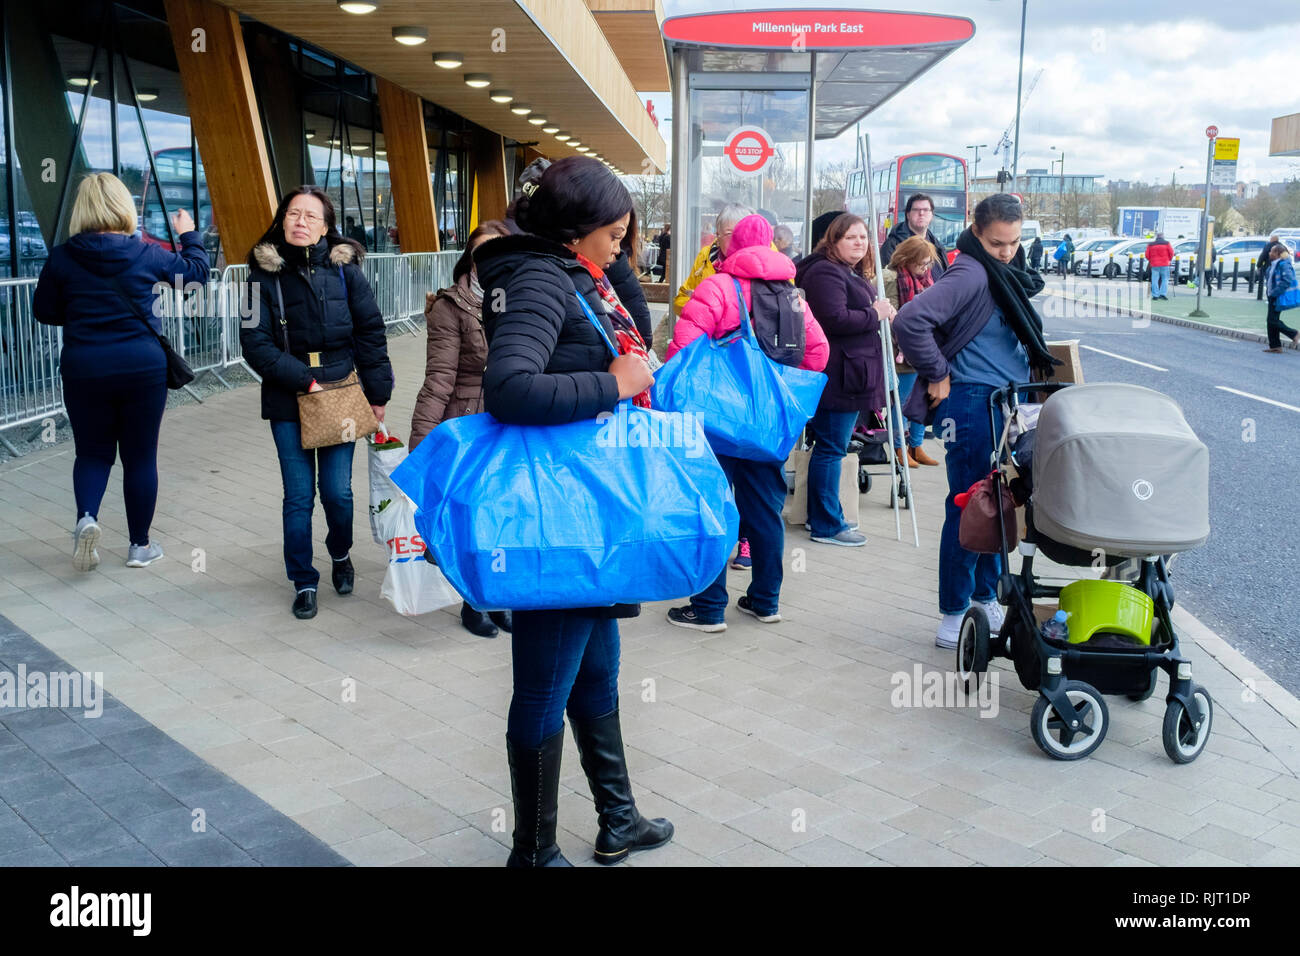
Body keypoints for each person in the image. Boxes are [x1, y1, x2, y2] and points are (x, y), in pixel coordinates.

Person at [475, 156, 670, 868]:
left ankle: (620, 820)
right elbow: (511, 389)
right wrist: (614, 383)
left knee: (596, 672)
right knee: (543, 686)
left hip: (591, 508)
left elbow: (621, 319)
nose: (622, 239)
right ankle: (532, 853)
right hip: (559, 520)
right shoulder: (536, 279)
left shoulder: (573, 274)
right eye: (612, 229)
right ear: (572, 228)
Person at [893, 193, 1058, 650]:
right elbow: (910, 319)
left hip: (1005, 404)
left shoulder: (1003, 271)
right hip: (972, 402)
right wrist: (939, 373)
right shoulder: (969, 271)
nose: (1007, 251)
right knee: (969, 504)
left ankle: (984, 597)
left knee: (997, 505)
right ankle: (952, 611)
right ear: (976, 232)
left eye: (1015, 241)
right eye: (997, 243)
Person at [33, 172, 209, 572]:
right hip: (141, 367)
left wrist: (82, 313)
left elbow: (43, 310)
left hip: (85, 367)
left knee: (92, 453)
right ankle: (139, 547)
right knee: (140, 457)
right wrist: (189, 234)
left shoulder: (62, 257)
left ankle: (87, 519)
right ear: (124, 207)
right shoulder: (146, 254)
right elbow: (196, 276)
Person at [665, 214, 829, 631]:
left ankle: (707, 608)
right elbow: (819, 353)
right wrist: (780, 392)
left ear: (732, 245)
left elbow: (684, 350)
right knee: (765, 510)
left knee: (714, 506)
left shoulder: (719, 285)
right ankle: (765, 600)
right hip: (767, 426)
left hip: (717, 423)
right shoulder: (793, 296)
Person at [241, 186, 394, 621]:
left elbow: (371, 332)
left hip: (341, 393)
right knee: (297, 495)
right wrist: (303, 381)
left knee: (338, 492)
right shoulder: (259, 275)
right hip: (289, 395)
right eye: (293, 213)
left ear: (327, 226)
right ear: (282, 219)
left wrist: (378, 395)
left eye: (310, 216)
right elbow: (254, 343)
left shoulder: (347, 272)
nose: (300, 221)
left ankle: (341, 554)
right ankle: (304, 580)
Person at [410, 219, 513, 637]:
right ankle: (474, 602)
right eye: (481, 250)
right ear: (469, 256)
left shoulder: (524, 297)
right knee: (475, 517)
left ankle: (500, 597)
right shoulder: (450, 306)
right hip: (470, 420)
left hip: (514, 420)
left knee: (507, 513)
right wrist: (420, 445)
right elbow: (439, 377)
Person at [795, 213, 897, 546]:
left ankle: (821, 518)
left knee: (829, 447)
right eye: (851, 237)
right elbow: (834, 318)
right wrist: (875, 313)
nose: (859, 242)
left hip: (849, 372)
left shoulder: (842, 270)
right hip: (840, 375)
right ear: (834, 240)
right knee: (831, 449)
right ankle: (827, 525)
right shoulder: (826, 271)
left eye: (864, 237)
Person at [881, 235, 940, 467]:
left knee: (921, 400)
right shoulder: (890, 277)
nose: (924, 268)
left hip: (924, 348)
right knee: (902, 401)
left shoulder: (926, 279)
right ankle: (899, 447)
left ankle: (916, 445)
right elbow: (886, 310)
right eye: (920, 263)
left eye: (927, 263)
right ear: (906, 258)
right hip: (900, 351)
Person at [880, 193, 949, 278]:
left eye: (926, 210)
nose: (921, 213)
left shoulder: (937, 246)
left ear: (932, 215)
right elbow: (887, 282)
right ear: (908, 215)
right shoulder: (892, 245)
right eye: (916, 210)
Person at [1263, 243, 1299, 353]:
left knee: (1272, 320)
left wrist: (1275, 292)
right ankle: (1275, 346)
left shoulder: (1283, 264)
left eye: (1272, 251)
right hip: (1272, 295)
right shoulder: (1273, 264)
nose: (1270, 253)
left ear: (1278, 254)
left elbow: (1287, 279)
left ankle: (1294, 333)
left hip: (1277, 296)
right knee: (1271, 321)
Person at [1146, 233, 1174, 300]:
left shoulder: (1150, 244)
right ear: (1163, 237)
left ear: (1156, 237)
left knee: (1154, 279)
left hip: (1154, 264)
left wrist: (1151, 260)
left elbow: (1147, 255)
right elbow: (1171, 253)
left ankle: (1155, 295)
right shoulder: (1167, 243)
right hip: (1164, 264)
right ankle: (1162, 294)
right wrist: (1169, 259)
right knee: (1165, 279)